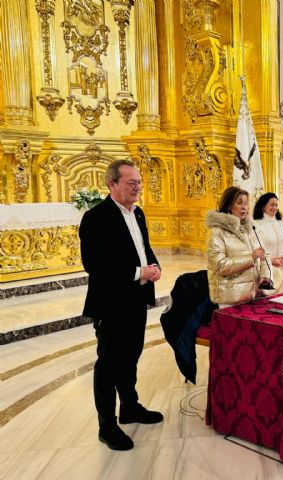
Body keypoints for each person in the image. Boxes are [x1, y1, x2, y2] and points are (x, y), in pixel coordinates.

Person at [80, 159, 163, 452]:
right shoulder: (96, 218)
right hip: (111, 302)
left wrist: (154, 264)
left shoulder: (137, 213)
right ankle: (107, 425)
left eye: (139, 182)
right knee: (108, 363)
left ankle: (130, 405)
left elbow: (143, 248)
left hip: (136, 299)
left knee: (131, 355)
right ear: (112, 185)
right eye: (131, 183)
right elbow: (95, 264)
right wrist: (140, 273)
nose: (138, 187)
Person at [205, 186, 270, 306]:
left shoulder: (250, 229)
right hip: (231, 299)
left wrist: (265, 276)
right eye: (239, 203)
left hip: (254, 295)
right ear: (229, 205)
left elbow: (264, 255)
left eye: (246, 203)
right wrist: (251, 258)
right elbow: (220, 266)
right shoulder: (217, 232)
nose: (244, 207)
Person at [253, 193, 283, 294]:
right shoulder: (256, 224)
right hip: (268, 269)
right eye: (272, 205)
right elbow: (256, 247)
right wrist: (271, 260)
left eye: (276, 205)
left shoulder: (280, 223)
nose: (275, 208)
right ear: (263, 206)